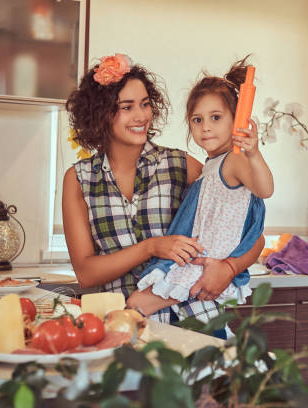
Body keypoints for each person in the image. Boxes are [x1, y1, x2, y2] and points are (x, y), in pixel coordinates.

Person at [62, 53, 264, 333]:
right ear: (100, 114)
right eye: (127, 107)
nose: (141, 116)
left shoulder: (180, 166)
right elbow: (86, 273)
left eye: (145, 104)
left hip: (198, 320)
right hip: (125, 327)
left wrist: (229, 268)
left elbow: (252, 233)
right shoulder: (79, 179)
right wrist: (152, 246)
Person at [133, 57, 273, 312]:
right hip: (200, 260)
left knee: (135, 305)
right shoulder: (211, 164)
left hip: (203, 264)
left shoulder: (234, 160)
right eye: (197, 120)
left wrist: (254, 154)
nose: (205, 127)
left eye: (216, 117)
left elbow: (265, 190)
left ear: (236, 119)